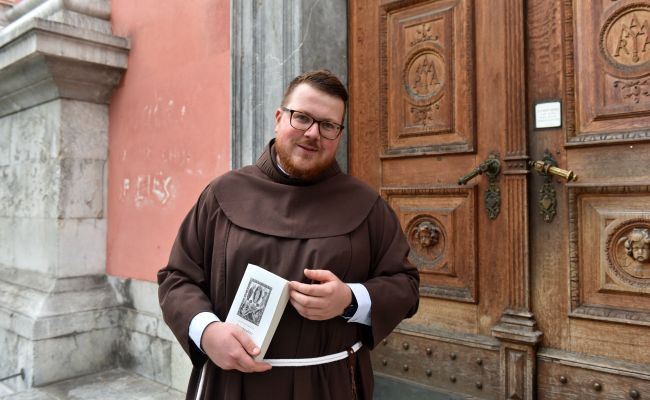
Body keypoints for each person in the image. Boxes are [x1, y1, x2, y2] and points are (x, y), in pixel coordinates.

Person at [158, 70, 420, 400]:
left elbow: (406, 286)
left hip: (328, 386)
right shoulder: (222, 194)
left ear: (338, 135)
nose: (313, 133)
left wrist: (350, 300)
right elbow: (177, 278)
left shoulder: (366, 205)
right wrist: (206, 331)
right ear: (279, 118)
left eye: (328, 125)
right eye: (302, 118)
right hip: (232, 384)